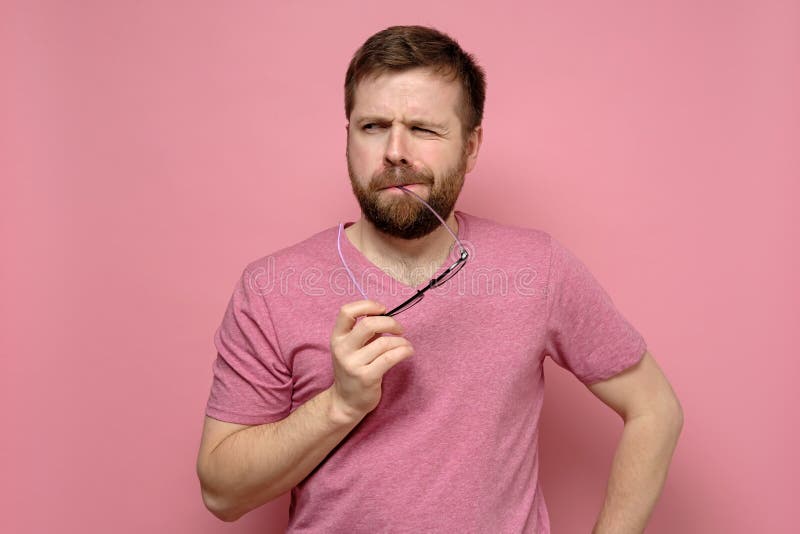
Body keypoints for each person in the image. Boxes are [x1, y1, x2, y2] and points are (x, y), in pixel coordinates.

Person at [196, 25, 683, 533]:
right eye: (372, 126)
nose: (396, 152)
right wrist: (340, 405)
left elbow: (655, 410)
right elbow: (221, 493)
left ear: (471, 148)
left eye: (425, 129)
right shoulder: (272, 287)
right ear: (347, 138)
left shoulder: (536, 267)